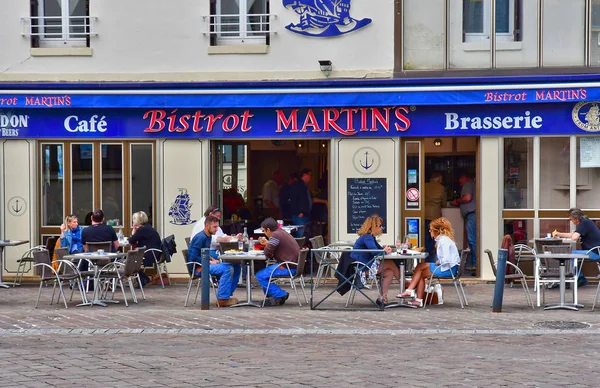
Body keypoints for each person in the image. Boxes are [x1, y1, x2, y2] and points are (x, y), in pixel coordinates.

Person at [399, 217, 460, 307]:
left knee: (420, 269)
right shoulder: (443, 240)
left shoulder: (444, 241)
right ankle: (415, 296)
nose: (430, 232)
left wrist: (438, 262)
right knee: (420, 268)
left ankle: (411, 292)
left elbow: (446, 259)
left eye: (431, 230)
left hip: (448, 269)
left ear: (437, 231)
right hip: (449, 267)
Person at [188, 215, 241, 307]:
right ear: (207, 226)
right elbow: (192, 257)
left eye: (217, 226)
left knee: (236, 265)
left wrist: (212, 259)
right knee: (228, 268)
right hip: (198, 268)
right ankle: (222, 299)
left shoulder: (208, 236)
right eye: (215, 227)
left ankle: (227, 295)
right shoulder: (200, 237)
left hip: (205, 263)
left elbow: (204, 252)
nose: (217, 229)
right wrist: (209, 262)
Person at [350, 215, 397, 307]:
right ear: (373, 226)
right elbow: (376, 253)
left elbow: (379, 250)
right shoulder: (367, 237)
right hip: (362, 269)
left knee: (390, 272)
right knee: (390, 263)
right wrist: (384, 251)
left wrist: (385, 250)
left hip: (366, 266)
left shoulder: (370, 237)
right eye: (379, 226)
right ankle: (405, 285)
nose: (381, 228)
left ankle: (382, 298)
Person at [255, 217, 300, 307]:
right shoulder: (281, 232)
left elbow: (267, 253)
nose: (264, 233)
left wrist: (266, 244)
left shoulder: (275, 236)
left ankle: (280, 295)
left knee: (260, 276)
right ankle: (273, 296)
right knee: (265, 274)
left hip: (288, 267)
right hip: (294, 265)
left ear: (268, 229)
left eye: (264, 231)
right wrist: (268, 243)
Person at [552, 208, 600, 287]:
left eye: (571, 219)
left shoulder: (584, 223)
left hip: (594, 252)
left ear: (576, 219)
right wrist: (558, 234)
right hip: (594, 251)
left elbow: (574, 237)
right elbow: (573, 234)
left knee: (568, 254)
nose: (571, 221)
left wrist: (560, 235)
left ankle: (578, 278)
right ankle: (575, 277)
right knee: (570, 254)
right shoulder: (586, 222)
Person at [451, 172, 476, 272]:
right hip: (471, 215)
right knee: (472, 239)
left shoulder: (468, 184)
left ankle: (475, 264)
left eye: (460, 179)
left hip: (472, 214)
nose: (459, 181)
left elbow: (467, 198)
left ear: (465, 177)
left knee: (472, 239)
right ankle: (474, 263)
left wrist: (457, 201)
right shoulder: (471, 184)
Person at [128, 211, 161, 287]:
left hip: (149, 254)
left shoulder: (141, 229)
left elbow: (131, 241)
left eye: (134, 219)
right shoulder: (148, 227)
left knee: (130, 261)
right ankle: (143, 279)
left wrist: (134, 230)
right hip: (154, 253)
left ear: (137, 220)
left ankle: (143, 279)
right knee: (133, 259)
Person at [424, 172, 447, 263]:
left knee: (424, 236)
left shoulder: (423, 185)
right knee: (434, 237)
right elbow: (444, 203)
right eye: (440, 180)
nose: (441, 181)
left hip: (423, 214)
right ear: (437, 179)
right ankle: (431, 258)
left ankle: (424, 256)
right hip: (434, 216)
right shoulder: (441, 188)